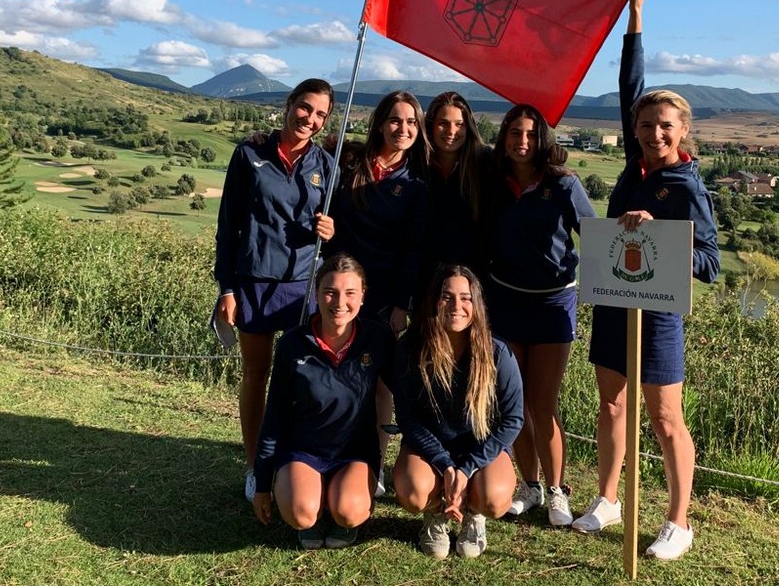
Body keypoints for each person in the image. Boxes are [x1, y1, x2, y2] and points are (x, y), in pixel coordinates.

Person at [571, 0, 720, 562]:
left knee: (664, 418)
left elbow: (709, 262)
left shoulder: (687, 185)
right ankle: (608, 499)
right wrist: (636, 14)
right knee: (610, 404)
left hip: (657, 315)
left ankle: (678, 521)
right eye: (645, 124)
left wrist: (665, 239)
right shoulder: (634, 166)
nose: (654, 132)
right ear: (634, 129)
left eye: (665, 126)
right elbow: (630, 79)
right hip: (613, 300)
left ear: (682, 133)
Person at [214, 78, 335, 502]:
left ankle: (294, 459)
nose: (311, 119)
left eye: (321, 114)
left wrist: (331, 230)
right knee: (256, 375)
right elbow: (228, 226)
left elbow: (335, 233)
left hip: (303, 286)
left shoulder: (326, 165)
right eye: (305, 108)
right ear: (289, 105)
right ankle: (254, 465)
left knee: (302, 379)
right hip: (253, 282)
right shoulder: (250, 154)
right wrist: (226, 288)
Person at [484, 103, 596, 527]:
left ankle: (557, 490)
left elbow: (596, 236)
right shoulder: (493, 180)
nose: (522, 141)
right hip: (505, 301)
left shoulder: (564, 184)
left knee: (542, 402)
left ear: (543, 139)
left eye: (530, 134)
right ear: (504, 137)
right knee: (515, 402)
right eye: (515, 133)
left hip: (552, 304)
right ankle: (528, 486)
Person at [251, 254, 393, 549]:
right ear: (316, 294)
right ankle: (305, 492)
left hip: (354, 453)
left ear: (363, 296)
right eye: (330, 291)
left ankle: (341, 498)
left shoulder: (377, 338)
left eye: (350, 293)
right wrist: (262, 485)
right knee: (302, 515)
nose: (339, 302)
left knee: (349, 511)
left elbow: (407, 395)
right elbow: (274, 417)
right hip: (303, 450)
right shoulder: (292, 343)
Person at [329, 90, 431, 493]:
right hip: (340, 291)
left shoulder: (417, 182)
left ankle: (374, 466)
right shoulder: (351, 164)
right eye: (394, 120)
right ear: (380, 123)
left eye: (410, 123)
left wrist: (401, 305)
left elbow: (414, 249)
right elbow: (332, 219)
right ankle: (334, 455)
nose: (402, 129)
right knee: (338, 375)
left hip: (385, 296)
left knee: (380, 383)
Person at [392, 265, 523, 559]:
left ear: (476, 304)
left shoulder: (497, 352)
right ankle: (436, 514)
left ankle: (474, 514)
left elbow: (513, 420)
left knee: (494, 499)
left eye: (465, 298)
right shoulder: (410, 348)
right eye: (447, 297)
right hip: (428, 448)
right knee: (413, 491)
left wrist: (468, 467)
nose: (457, 306)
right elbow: (407, 417)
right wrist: (445, 465)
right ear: (433, 301)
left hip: (481, 449)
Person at [423, 92, 489, 276]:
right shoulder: (417, 164)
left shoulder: (486, 163)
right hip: (424, 274)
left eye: (459, 124)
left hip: (473, 277)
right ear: (431, 125)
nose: (451, 131)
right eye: (443, 123)